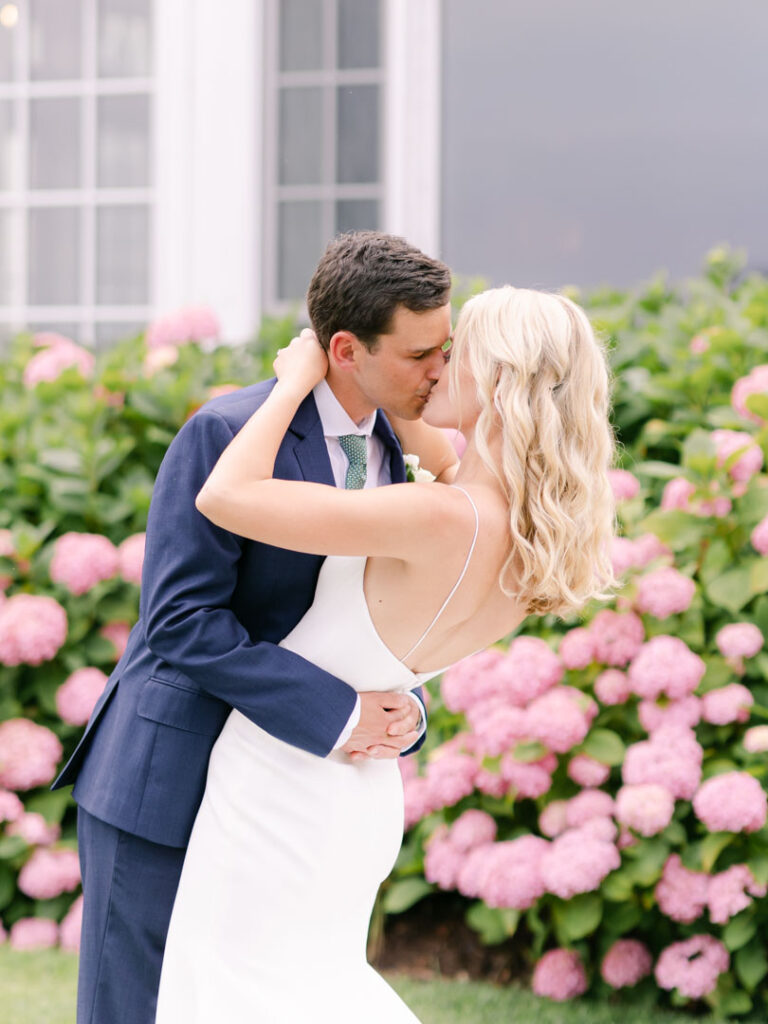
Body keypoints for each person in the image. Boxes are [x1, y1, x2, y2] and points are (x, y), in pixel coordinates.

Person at [155, 283, 617, 1022]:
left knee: (233, 991)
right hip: (361, 791)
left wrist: (296, 381)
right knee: (311, 989)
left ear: (495, 379)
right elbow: (430, 441)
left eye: (455, 352)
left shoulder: (438, 514)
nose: (436, 367)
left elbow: (226, 496)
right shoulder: (522, 531)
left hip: (280, 785)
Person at [52, 232, 453, 1024]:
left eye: (447, 349)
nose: (441, 371)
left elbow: (366, 614)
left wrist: (402, 709)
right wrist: (339, 715)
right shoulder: (226, 432)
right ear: (345, 349)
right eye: (420, 354)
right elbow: (178, 621)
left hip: (284, 802)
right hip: (171, 776)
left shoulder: (396, 453)